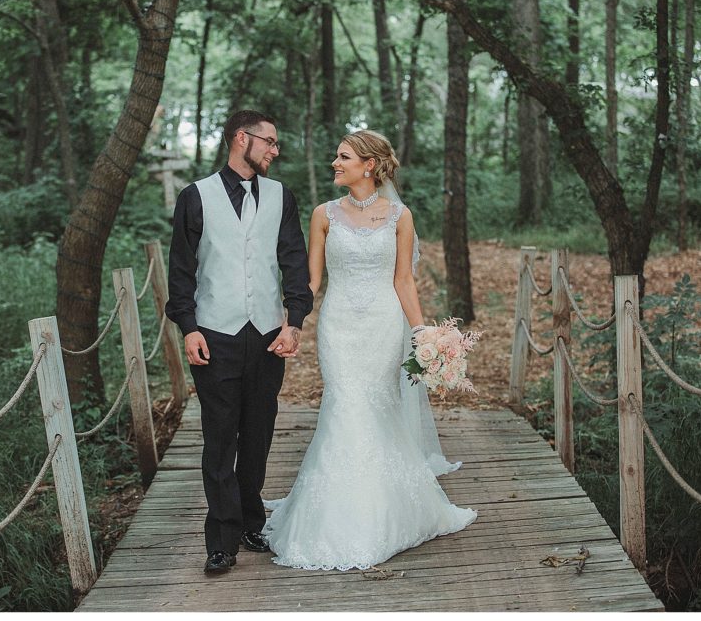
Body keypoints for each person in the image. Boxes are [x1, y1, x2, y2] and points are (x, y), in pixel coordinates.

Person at [262, 129, 477, 571]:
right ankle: (334, 515)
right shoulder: (324, 214)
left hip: (382, 325)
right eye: (336, 157)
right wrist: (291, 323)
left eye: (343, 157)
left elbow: (403, 280)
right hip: (339, 325)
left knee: (375, 407)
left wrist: (423, 335)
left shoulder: (400, 216)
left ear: (370, 165)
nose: (335, 164)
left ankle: (387, 512)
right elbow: (311, 282)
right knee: (344, 403)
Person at [166, 110, 313, 575]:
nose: (274, 151)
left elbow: (294, 260)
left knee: (258, 433)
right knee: (219, 438)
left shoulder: (280, 196)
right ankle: (222, 540)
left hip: (268, 333)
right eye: (269, 142)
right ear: (240, 139)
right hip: (214, 335)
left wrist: (295, 322)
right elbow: (181, 270)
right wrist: (188, 327)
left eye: (275, 144)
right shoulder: (195, 197)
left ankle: (252, 523)